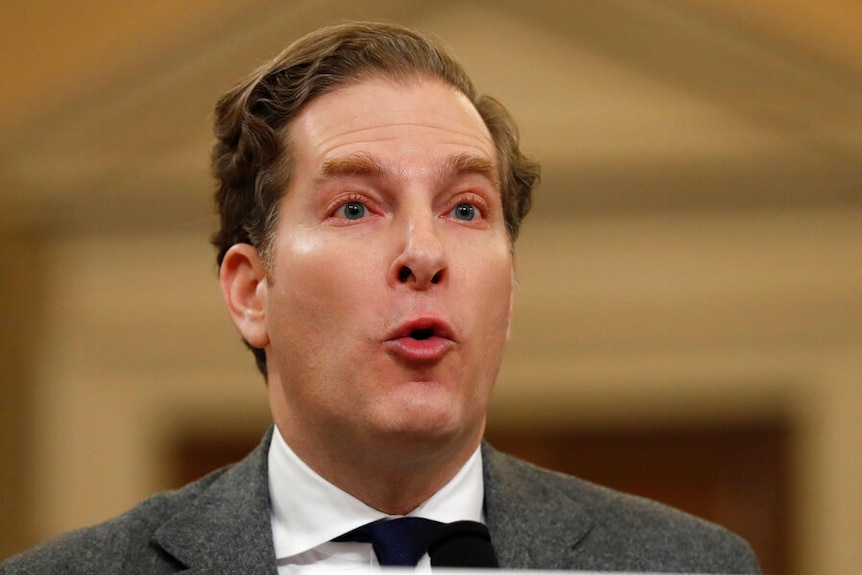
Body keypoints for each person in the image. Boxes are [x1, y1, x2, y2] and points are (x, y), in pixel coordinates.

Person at [1, 22, 761, 574]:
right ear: (251, 291)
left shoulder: (686, 564)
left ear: (511, 289)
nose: (424, 254)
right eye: (356, 207)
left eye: (465, 208)